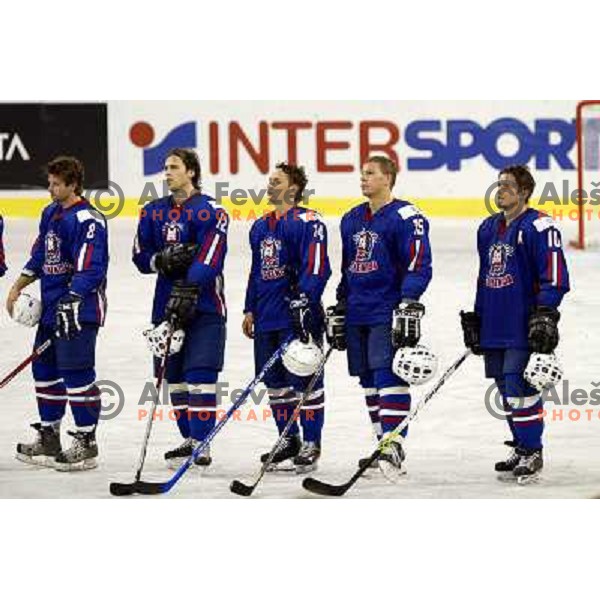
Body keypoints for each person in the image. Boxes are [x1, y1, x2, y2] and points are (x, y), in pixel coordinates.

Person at [460, 165, 570, 481]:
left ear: (524, 192)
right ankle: (521, 447)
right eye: (499, 184)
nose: (501, 189)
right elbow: (484, 278)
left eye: (508, 185)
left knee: (518, 386)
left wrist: (546, 313)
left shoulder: (540, 226)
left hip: (523, 323)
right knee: (505, 389)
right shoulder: (487, 228)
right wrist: (478, 316)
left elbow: (555, 275)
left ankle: (533, 450)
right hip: (495, 321)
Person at [326, 155, 432, 474]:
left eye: (370, 174)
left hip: (388, 308)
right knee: (368, 380)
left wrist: (409, 300)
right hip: (358, 309)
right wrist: (342, 303)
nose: (363, 178)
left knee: (388, 375)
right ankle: (381, 444)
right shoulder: (351, 218)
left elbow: (418, 264)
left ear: (388, 178)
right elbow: (348, 268)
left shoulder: (406, 216)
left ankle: (393, 446)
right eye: (362, 173)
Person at [6, 156, 109, 471]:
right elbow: (40, 256)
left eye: (55, 184)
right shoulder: (50, 213)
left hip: (79, 310)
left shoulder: (89, 219)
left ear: (73, 185)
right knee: (45, 373)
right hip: (51, 310)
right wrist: (16, 286)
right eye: (49, 183)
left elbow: (91, 266)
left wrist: (73, 297)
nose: (50, 189)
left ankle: (86, 441)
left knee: (77, 373)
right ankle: (50, 435)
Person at [133, 148, 228, 468]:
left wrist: (189, 286)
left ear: (191, 172)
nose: (167, 172)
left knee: (200, 373)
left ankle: (203, 442)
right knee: (173, 377)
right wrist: (157, 260)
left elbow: (211, 256)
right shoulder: (152, 211)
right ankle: (189, 439)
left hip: (204, 306)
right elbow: (139, 255)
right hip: (165, 306)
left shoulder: (211, 210)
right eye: (165, 167)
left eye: (174, 167)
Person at [242, 162, 331, 473]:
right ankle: (288, 439)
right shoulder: (259, 227)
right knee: (275, 384)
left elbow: (318, 266)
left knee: (304, 379)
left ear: (293, 189)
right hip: (266, 316)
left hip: (297, 317)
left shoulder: (308, 221)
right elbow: (256, 272)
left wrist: (304, 301)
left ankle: (311, 443)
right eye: (269, 179)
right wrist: (249, 307)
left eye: (276, 180)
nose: (269, 184)